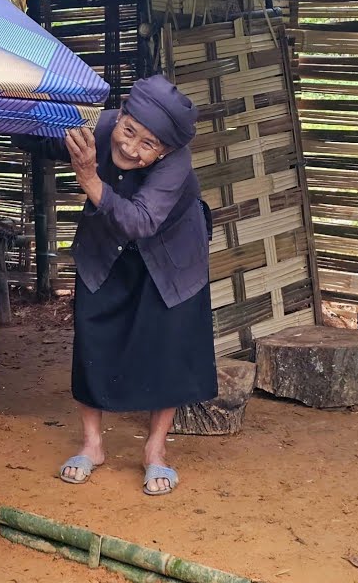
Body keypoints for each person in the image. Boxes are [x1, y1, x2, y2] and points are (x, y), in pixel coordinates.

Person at [20, 74, 217, 496]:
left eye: (148, 145)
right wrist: (15, 113)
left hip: (169, 257)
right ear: (121, 115)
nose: (130, 147)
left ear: (166, 150)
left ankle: (155, 452)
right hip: (106, 247)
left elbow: (142, 221)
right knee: (94, 339)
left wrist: (90, 179)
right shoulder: (104, 125)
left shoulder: (176, 164)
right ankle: (92, 446)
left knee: (167, 349)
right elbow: (53, 138)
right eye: (129, 132)